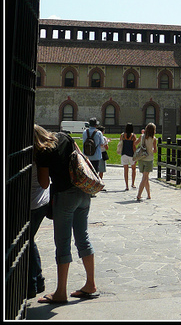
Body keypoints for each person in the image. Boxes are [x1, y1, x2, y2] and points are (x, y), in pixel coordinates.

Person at [33, 124, 99, 304]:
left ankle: (61, 292)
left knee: (62, 242)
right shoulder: (64, 137)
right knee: (82, 237)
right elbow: (79, 156)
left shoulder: (43, 153)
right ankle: (90, 284)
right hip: (82, 191)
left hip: (64, 195)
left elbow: (44, 183)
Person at [27, 157, 50, 299]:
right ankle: (38, 280)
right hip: (40, 202)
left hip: (34, 203)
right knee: (29, 240)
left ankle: (32, 284)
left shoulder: (39, 154)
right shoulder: (41, 152)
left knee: (27, 241)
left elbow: (44, 182)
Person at [135, 123, 158, 202]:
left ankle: (148, 194)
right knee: (145, 178)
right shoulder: (154, 139)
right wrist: (151, 148)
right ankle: (139, 195)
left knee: (146, 178)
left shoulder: (142, 137)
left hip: (141, 158)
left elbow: (135, 143)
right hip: (149, 159)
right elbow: (155, 150)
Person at [120, 123, 137, 190]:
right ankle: (133, 183)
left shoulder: (122, 135)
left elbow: (120, 143)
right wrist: (136, 155)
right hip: (131, 154)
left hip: (124, 153)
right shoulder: (133, 136)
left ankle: (126, 185)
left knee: (126, 170)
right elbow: (134, 146)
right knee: (133, 169)